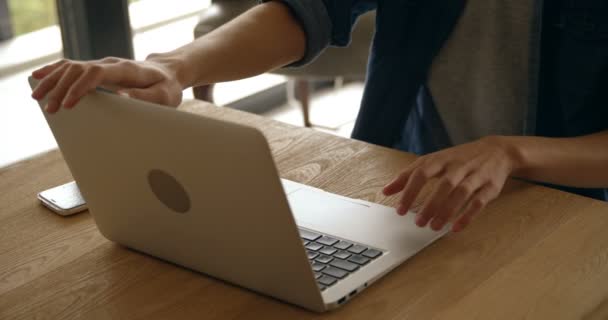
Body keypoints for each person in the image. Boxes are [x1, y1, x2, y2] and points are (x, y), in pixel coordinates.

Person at [30, 0, 608, 233]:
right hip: (419, 189)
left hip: (569, 213)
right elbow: (307, 9)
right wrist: (173, 67)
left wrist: (512, 152)